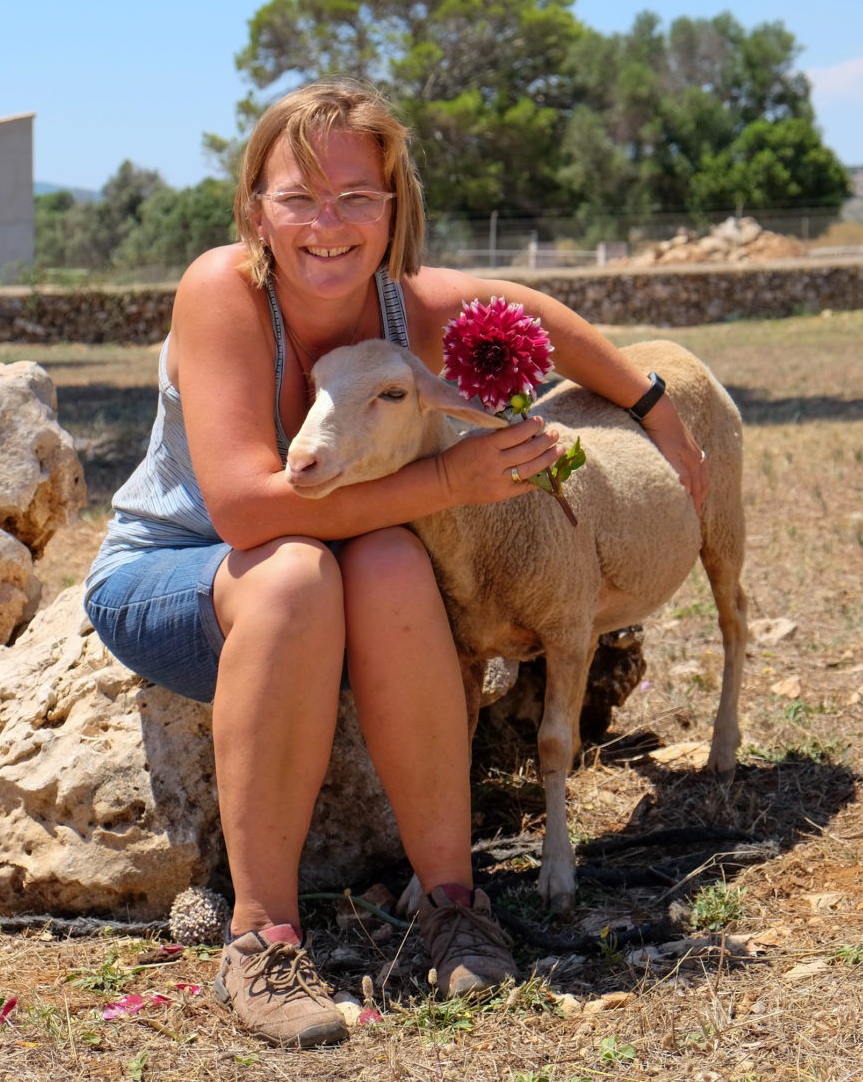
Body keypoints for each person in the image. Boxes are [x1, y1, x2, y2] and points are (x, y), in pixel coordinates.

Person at [84, 79, 708, 1050]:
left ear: (392, 208)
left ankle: (452, 906)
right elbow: (247, 508)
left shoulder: (405, 304)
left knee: (384, 560)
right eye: (298, 197)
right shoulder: (224, 291)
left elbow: (544, 318)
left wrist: (659, 410)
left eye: (356, 197)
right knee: (299, 566)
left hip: (323, 579)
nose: (326, 223)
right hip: (179, 574)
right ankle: (261, 936)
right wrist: (452, 482)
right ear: (255, 206)